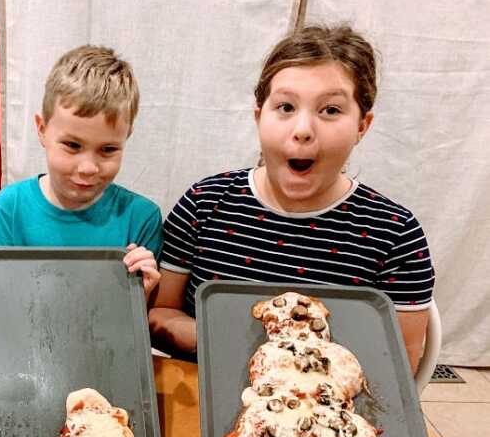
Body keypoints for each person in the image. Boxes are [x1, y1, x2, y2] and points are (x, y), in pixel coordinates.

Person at [149, 25, 434, 373]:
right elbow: (160, 315)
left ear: (362, 125)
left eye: (330, 110)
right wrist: (230, 340)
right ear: (259, 117)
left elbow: (401, 362)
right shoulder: (204, 203)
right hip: (204, 398)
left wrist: (299, 359)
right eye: (285, 106)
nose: (302, 130)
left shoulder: (395, 234)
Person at [0, 44, 162, 297]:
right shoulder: (11, 206)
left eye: (108, 149)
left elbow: (133, 327)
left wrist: (142, 294)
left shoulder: (141, 217)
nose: (88, 168)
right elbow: (2, 300)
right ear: (42, 130)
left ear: (127, 137)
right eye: (72, 145)